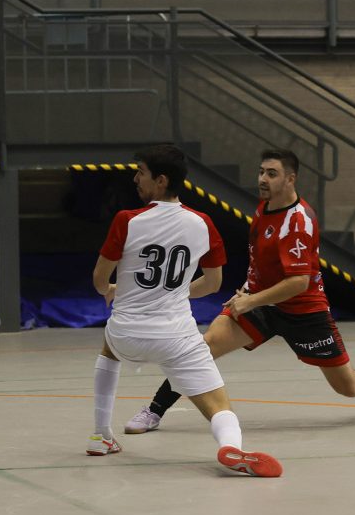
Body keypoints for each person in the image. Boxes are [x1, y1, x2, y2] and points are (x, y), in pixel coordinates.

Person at [125, 149, 355, 434]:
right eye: (261, 172)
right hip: (262, 304)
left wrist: (251, 300)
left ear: (290, 179)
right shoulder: (263, 209)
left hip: (305, 312)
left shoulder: (298, 222)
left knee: (346, 386)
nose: (263, 179)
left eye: (272, 174)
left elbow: (299, 282)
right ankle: (154, 410)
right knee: (200, 350)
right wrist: (247, 291)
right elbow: (260, 263)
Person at [88, 145, 282, 478]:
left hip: (126, 334)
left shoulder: (127, 220)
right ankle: (230, 446)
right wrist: (172, 293)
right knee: (218, 405)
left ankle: (101, 435)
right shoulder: (202, 223)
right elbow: (212, 283)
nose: (135, 179)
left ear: (161, 180)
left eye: (141, 173)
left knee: (109, 348)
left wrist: (113, 289)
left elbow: (98, 281)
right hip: (176, 338)